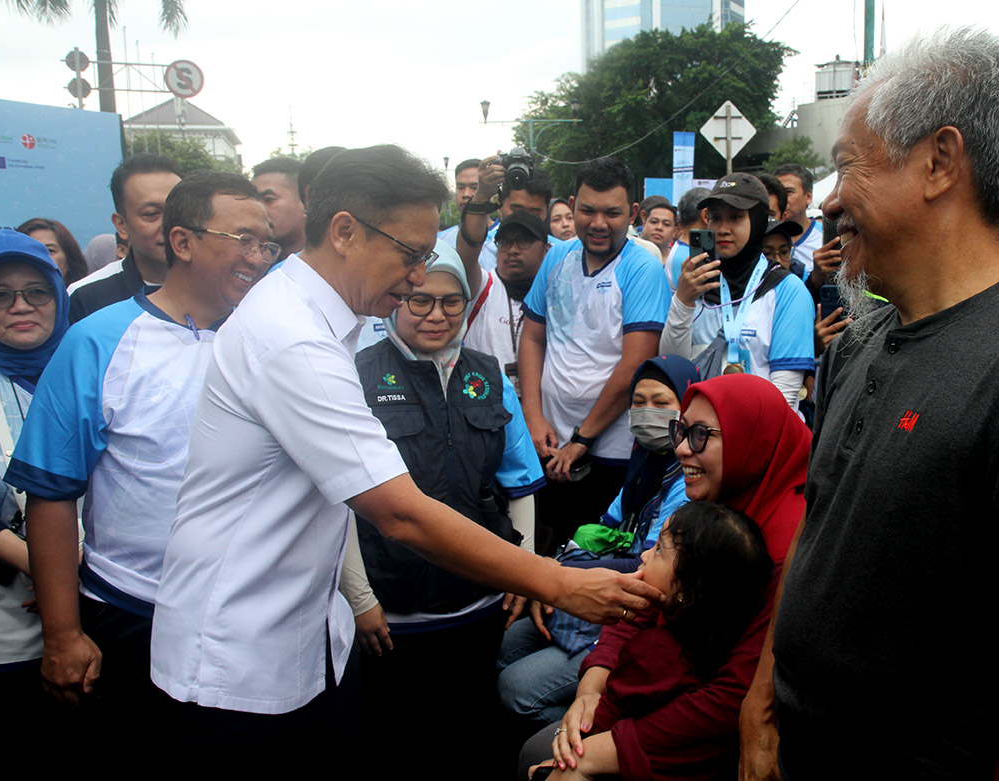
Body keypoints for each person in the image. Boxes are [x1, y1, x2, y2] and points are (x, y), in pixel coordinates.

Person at [739, 28, 999, 779]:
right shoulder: (860, 341)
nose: (831, 201)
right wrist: (764, 702)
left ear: (939, 162)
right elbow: (819, 522)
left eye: (848, 166)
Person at [146, 145, 659, 745]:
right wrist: (560, 583)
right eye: (411, 255)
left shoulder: (311, 314)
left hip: (298, 633)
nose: (420, 276)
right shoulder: (293, 341)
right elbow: (399, 512)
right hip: (239, 656)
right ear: (344, 232)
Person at [4, 171, 274, 741]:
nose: (259, 257)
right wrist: (62, 634)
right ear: (183, 242)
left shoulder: (273, 340)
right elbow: (51, 494)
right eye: (243, 239)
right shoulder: (98, 340)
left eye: (266, 243)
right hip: (134, 616)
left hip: (255, 621)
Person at [547, 373, 811, 779]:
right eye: (682, 431)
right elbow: (646, 591)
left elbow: (732, 697)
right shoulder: (717, 500)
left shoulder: (784, 549)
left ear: (751, 439)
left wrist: (603, 749)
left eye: (703, 434)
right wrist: (593, 685)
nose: (682, 448)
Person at [352, 242, 544, 764]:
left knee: (467, 738)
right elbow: (339, 502)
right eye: (420, 300)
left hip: (478, 608)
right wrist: (359, 595)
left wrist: (522, 571)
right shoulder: (356, 375)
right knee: (395, 739)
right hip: (391, 613)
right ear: (397, 300)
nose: (436, 315)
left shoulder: (488, 376)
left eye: (451, 301)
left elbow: (520, 483)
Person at [498, 354, 698, 728]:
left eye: (661, 402)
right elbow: (608, 523)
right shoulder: (644, 461)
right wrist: (561, 575)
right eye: (638, 402)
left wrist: (557, 573)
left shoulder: (688, 475)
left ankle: (600, 731)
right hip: (605, 590)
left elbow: (644, 563)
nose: (646, 411)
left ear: (686, 410)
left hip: (639, 612)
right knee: (508, 643)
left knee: (516, 688)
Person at [526, 501, 774, 781]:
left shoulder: (653, 652)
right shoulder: (709, 643)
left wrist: (560, 756)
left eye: (658, 551)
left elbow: (599, 723)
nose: (644, 555)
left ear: (686, 591)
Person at [518, 157, 671, 554]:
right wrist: (533, 417)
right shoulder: (557, 258)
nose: (598, 223)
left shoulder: (642, 269)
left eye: (612, 213)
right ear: (572, 205)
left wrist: (583, 438)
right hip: (549, 441)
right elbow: (533, 337)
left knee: (592, 555)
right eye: (587, 210)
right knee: (547, 551)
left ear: (633, 213)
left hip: (610, 452)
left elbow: (635, 365)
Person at [0, 230, 71, 747]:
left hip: (105, 593)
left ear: (58, 296)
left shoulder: (95, 373)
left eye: (36, 291)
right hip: (10, 608)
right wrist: (42, 564)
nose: (20, 306)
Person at [661, 173, 815, 406]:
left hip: (760, 435)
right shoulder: (696, 286)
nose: (722, 229)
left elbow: (785, 396)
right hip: (701, 434)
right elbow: (673, 365)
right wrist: (683, 301)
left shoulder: (788, 290)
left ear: (759, 221)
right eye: (715, 218)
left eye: (735, 217)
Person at [68, 153, 182, 322]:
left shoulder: (220, 287)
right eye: (151, 214)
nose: (169, 225)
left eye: (177, 210)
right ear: (121, 225)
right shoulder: (85, 297)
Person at [462, 211, 550, 386]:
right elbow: (467, 254)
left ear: (546, 250)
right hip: (487, 405)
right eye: (505, 242)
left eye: (524, 241)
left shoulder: (556, 295)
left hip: (542, 407)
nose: (513, 250)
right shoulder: (482, 286)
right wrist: (480, 200)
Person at [458, 160, 555, 274]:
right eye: (516, 210)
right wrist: (482, 194)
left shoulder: (562, 254)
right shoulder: (480, 249)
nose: (523, 218)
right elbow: (466, 261)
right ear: (500, 203)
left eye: (534, 212)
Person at [772, 164, 822, 275]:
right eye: (777, 193)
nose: (782, 199)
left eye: (788, 192)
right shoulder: (761, 238)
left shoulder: (826, 237)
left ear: (808, 197)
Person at [252, 157, 307, 259]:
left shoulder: (330, 266)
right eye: (255, 200)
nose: (258, 209)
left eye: (268, 200)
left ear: (305, 202)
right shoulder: (249, 266)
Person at [16, 217, 89, 285]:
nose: (40, 258)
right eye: (30, 252)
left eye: (50, 250)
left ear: (69, 260)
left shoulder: (85, 297)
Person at [639, 197, 677, 263]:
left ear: (675, 230)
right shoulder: (627, 254)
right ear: (644, 223)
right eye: (654, 222)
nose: (659, 227)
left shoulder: (677, 262)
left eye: (666, 224)